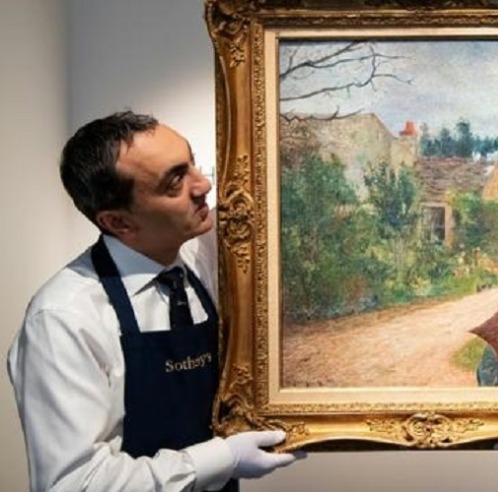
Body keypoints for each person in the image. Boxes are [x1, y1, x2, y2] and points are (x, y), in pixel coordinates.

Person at [7, 111, 305, 491]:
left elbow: (262, 201)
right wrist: (221, 458)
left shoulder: (199, 255)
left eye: (192, 163)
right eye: (175, 181)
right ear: (119, 222)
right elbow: (74, 483)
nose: (203, 185)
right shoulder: (64, 319)